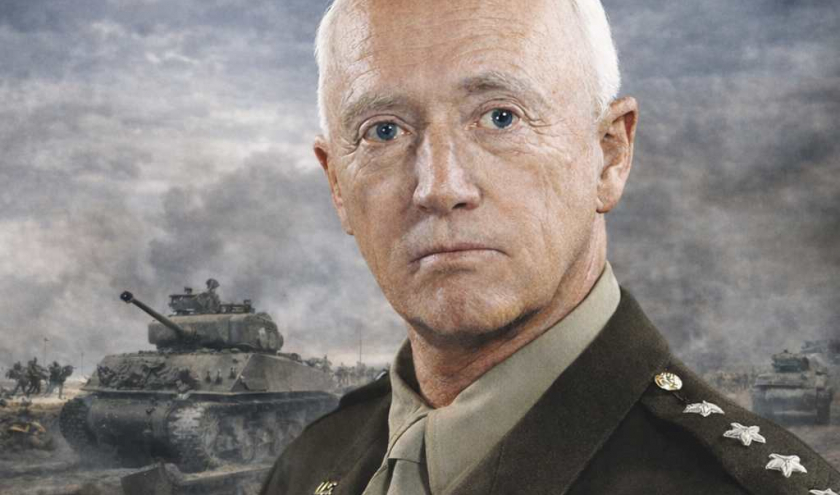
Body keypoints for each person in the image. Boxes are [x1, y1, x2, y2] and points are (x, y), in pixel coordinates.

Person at [261, 1, 840, 494]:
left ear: (609, 156)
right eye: (383, 131)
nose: (439, 187)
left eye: (501, 117)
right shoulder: (308, 465)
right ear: (337, 185)